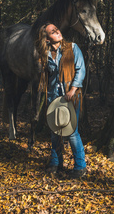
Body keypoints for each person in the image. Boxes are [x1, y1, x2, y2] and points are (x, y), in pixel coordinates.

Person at [36, 23, 87, 178]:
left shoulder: (72, 48)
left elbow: (81, 69)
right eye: (52, 31)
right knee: (54, 131)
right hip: (53, 96)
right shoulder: (44, 53)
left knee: (71, 132)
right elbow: (45, 76)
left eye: (56, 29)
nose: (57, 31)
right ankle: (56, 162)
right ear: (46, 38)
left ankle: (80, 166)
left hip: (71, 96)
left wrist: (72, 90)